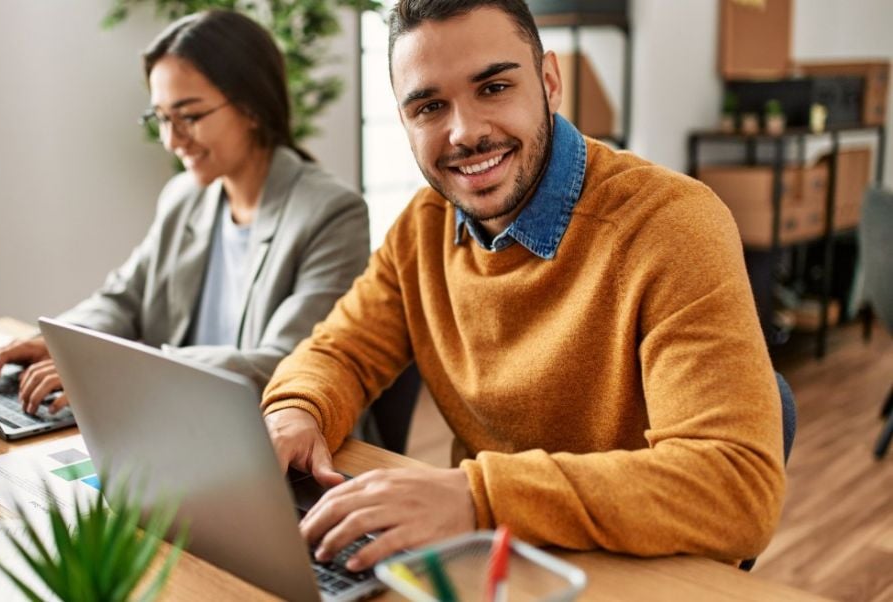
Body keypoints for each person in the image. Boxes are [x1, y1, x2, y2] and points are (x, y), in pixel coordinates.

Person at [261, 0, 786, 572]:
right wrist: (297, 409)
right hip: (493, 561)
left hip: (635, 570)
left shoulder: (670, 225)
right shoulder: (423, 225)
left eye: (493, 88)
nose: (465, 133)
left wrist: (478, 498)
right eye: (430, 106)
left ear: (549, 82)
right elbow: (340, 350)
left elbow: (735, 486)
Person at [0, 10, 369, 414]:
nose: (171, 140)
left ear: (251, 107)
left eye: (190, 116)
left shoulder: (331, 213)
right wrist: (58, 342)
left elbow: (288, 362)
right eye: (161, 118)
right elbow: (124, 298)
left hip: (279, 434)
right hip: (179, 417)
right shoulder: (184, 197)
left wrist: (127, 368)